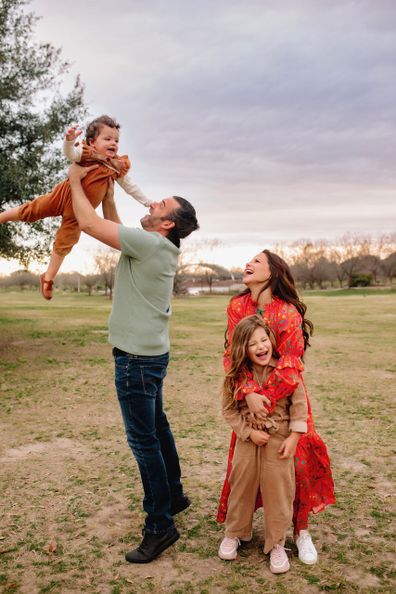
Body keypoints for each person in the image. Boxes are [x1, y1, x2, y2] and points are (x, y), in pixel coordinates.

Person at [67, 162, 199, 563]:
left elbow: (89, 226)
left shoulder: (153, 245)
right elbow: (115, 228)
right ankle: (173, 495)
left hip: (136, 362)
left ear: (166, 224)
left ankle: (160, 526)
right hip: (151, 355)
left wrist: (76, 179)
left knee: (143, 441)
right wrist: (108, 191)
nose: (153, 201)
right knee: (157, 429)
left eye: (161, 204)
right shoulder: (158, 245)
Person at [217, 249, 335, 565]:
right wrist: (246, 393)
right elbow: (232, 355)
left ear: (271, 272)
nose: (248, 263)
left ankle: (299, 531)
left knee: (292, 469)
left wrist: (267, 400)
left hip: (285, 404)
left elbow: (293, 363)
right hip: (248, 407)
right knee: (244, 473)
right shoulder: (237, 306)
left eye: (257, 261)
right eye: (248, 260)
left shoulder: (287, 314)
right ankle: (237, 531)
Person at [0, 115, 150, 300]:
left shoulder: (116, 166)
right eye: (108, 139)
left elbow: (130, 187)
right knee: (33, 209)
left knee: (66, 241)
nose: (113, 143)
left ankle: (48, 278)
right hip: (61, 196)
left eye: (116, 140)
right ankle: (4, 216)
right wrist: (69, 141)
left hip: (78, 212)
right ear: (92, 142)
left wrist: (148, 203)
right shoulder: (86, 154)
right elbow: (71, 154)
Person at [218, 315, 308, 574]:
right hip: (249, 440)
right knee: (241, 485)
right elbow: (229, 411)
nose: (260, 347)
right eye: (252, 343)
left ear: (271, 340)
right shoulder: (237, 377)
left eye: (263, 339)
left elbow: (300, 408)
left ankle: (276, 543)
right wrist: (247, 432)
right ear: (242, 349)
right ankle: (236, 532)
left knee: (278, 491)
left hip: (279, 440)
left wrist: (293, 438)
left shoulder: (287, 372)